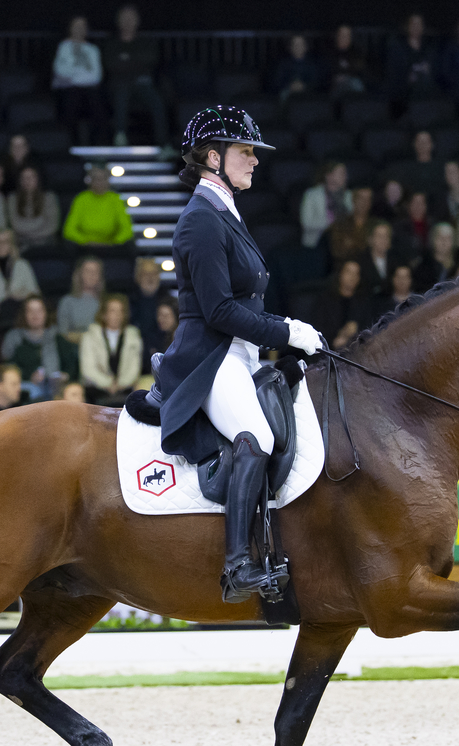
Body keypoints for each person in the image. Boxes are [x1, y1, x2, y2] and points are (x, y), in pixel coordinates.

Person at [153, 105, 322, 602]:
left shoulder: (225, 213)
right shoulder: (200, 221)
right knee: (257, 437)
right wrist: (285, 331)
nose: (254, 160)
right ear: (213, 156)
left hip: (238, 354)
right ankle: (237, 566)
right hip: (210, 357)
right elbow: (221, 311)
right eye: (245, 151)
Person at [104, 5, 167, 147]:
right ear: (118, 21)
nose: (127, 21)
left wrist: (125, 60)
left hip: (143, 84)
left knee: (157, 102)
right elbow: (110, 64)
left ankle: (163, 144)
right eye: (124, 18)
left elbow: (150, 60)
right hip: (118, 85)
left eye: (131, 18)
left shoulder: (146, 43)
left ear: (137, 21)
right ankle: (120, 136)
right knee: (121, 93)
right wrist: (134, 62)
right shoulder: (111, 43)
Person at [79, 293, 144, 406]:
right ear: (104, 314)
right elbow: (88, 369)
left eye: (120, 311)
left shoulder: (133, 336)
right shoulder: (89, 336)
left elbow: (135, 367)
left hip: (124, 388)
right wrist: (108, 384)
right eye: (112, 311)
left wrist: (120, 384)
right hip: (96, 388)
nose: (117, 315)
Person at [52, 16, 106, 145]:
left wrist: (74, 77)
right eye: (76, 26)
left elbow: (96, 76)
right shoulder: (63, 47)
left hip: (88, 89)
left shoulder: (93, 50)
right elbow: (60, 71)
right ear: (70, 28)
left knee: (98, 104)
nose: (79, 29)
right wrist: (81, 75)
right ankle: (70, 144)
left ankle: (97, 144)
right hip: (67, 90)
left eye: (82, 26)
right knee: (71, 100)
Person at [0, 294, 65, 400]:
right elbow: (8, 366)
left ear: (46, 313)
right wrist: (29, 375)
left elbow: (70, 361)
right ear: (24, 314)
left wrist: (65, 375)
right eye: (30, 311)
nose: (35, 315)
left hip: (55, 384)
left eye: (39, 310)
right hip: (25, 383)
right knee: (35, 391)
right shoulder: (14, 337)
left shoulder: (57, 335)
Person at [0, 229, 39, 325]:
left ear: (12, 244)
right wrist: (7, 296)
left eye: (6, 241)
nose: (1, 244)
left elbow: (34, 292)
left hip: (21, 310)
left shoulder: (22, 265)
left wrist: (22, 295)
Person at [62, 165, 134, 247]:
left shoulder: (116, 199)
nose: (100, 182)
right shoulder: (81, 199)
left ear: (108, 180)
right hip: (84, 247)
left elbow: (127, 230)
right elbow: (69, 230)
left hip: (111, 247)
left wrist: (114, 242)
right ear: (90, 180)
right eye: (96, 179)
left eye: (103, 178)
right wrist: (85, 241)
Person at [306, 259, 373, 346]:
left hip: (357, 350)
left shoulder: (364, 301)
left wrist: (356, 332)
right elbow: (316, 328)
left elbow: (371, 329)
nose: (352, 277)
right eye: (349, 272)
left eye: (356, 274)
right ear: (340, 274)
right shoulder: (325, 300)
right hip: (328, 349)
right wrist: (340, 334)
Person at [384, 13, 438, 103]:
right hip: (403, 98)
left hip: (426, 99)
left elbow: (435, 73)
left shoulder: (429, 49)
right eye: (413, 24)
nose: (416, 27)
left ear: (423, 27)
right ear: (407, 26)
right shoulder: (397, 48)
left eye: (419, 24)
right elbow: (393, 75)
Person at [6, 165, 61, 249]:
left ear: (38, 179)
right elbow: (15, 225)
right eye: (24, 177)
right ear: (19, 180)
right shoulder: (12, 198)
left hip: (46, 243)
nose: (27, 181)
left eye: (31, 177)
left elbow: (53, 226)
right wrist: (40, 222)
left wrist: (31, 234)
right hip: (21, 244)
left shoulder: (49, 197)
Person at [299, 162, 351, 249]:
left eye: (345, 173)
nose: (345, 177)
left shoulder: (348, 195)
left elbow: (351, 219)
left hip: (341, 245)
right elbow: (306, 222)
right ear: (329, 176)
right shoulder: (312, 194)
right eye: (341, 173)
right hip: (315, 243)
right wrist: (331, 225)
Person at [56, 255, 106, 342]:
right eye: (88, 271)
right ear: (79, 274)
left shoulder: (107, 302)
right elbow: (63, 334)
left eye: (95, 272)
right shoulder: (67, 302)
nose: (92, 275)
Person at [129, 257, 169, 350]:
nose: (150, 277)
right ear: (138, 277)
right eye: (146, 274)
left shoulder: (168, 302)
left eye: (154, 273)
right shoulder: (128, 302)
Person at [327, 186, 374, 262]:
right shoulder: (341, 225)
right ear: (353, 200)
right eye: (361, 198)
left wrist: (352, 244)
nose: (364, 202)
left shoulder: (375, 225)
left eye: (368, 199)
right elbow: (337, 251)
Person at [395, 130, 444, 200]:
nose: (422, 145)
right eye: (419, 141)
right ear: (414, 144)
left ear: (432, 145)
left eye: (426, 142)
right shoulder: (406, 169)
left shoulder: (441, 168)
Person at [271, 34, 321, 102]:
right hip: (288, 92)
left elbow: (316, 81)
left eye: (300, 45)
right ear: (290, 47)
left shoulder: (312, 63)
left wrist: (303, 86)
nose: (298, 47)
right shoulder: (283, 63)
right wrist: (290, 86)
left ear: (305, 47)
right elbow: (277, 81)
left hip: (308, 93)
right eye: (295, 45)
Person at [323, 24, 368, 96]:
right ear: (337, 36)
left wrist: (346, 76)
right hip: (333, 85)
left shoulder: (356, 53)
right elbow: (326, 71)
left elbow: (360, 69)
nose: (344, 38)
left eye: (347, 36)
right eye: (341, 35)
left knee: (356, 84)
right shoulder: (328, 53)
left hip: (352, 84)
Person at [414, 221, 458, 292]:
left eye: (448, 238)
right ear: (433, 240)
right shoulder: (423, 268)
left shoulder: (458, 266)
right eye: (440, 238)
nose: (444, 242)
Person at [359, 221, 398, 298]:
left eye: (386, 236)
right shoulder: (361, 261)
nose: (383, 240)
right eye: (379, 236)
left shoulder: (397, 259)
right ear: (370, 239)